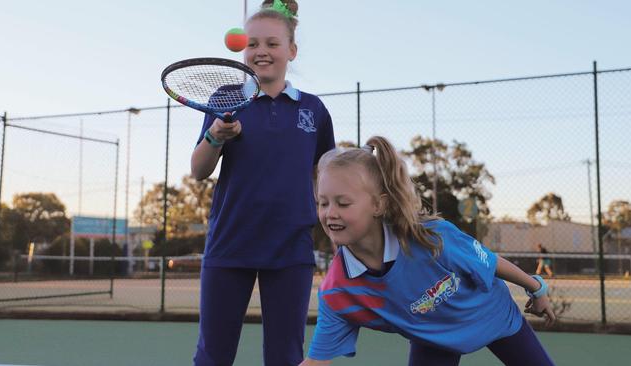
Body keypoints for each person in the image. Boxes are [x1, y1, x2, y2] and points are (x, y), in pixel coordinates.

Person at [301, 136, 556, 366]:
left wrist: (537, 288)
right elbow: (316, 362)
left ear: (379, 205)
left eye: (343, 203)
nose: (329, 213)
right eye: (322, 203)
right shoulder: (337, 290)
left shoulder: (430, 237)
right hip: (434, 338)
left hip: (492, 315)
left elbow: (491, 262)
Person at [190, 0, 335, 364]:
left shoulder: (313, 109)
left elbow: (327, 175)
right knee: (213, 356)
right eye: (253, 44)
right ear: (243, 48)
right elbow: (198, 170)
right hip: (229, 243)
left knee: (286, 356)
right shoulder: (224, 99)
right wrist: (216, 136)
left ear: (291, 50)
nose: (262, 51)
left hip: (291, 250)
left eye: (272, 43)